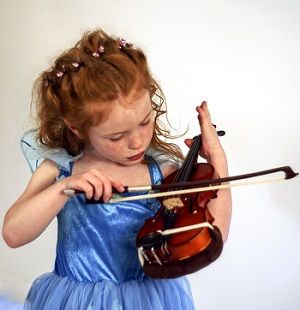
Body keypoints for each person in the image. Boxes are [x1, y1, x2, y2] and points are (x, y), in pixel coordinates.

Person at [2, 29, 232, 309]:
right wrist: (62, 189)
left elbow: (212, 232)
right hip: (78, 302)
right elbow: (13, 234)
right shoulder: (61, 170)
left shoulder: (163, 173)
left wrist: (217, 160)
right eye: (116, 136)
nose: (137, 141)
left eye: (145, 122)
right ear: (77, 128)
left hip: (148, 302)